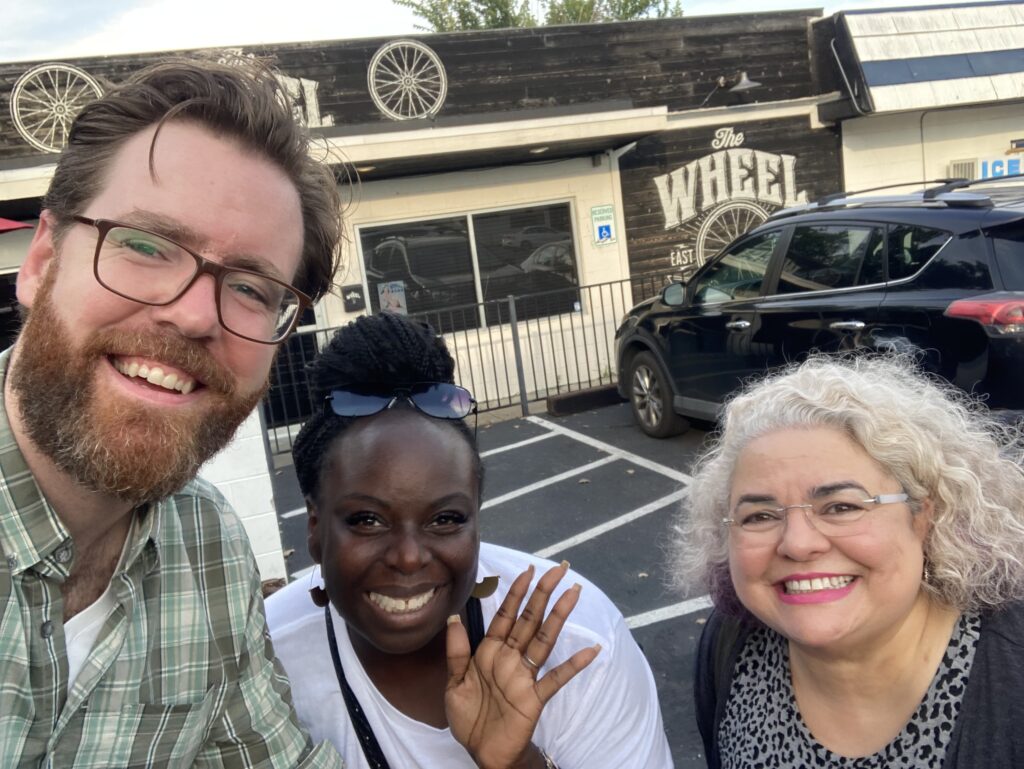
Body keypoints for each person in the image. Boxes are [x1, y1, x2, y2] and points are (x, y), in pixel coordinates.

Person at [1, 58, 348, 767]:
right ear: (41, 261)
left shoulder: (209, 545)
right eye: (146, 245)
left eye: (252, 288)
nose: (195, 316)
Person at [266, 312, 673, 769]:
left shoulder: (577, 642)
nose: (408, 557)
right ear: (315, 529)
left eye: (445, 518)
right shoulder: (265, 662)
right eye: (367, 519)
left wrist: (519, 762)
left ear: (476, 519)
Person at [675, 355, 1024, 768]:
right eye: (761, 516)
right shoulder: (731, 641)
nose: (798, 544)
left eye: (840, 507)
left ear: (923, 517)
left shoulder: (1010, 675)